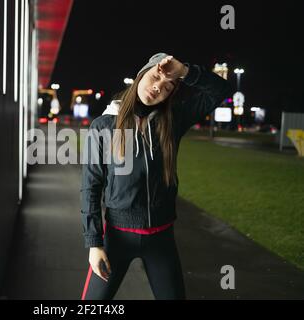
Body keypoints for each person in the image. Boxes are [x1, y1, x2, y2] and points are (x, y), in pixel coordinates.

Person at [80, 52, 232, 300]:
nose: (157, 87)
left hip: (161, 240)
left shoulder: (172, 121)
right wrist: (94, 243)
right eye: (154, 77)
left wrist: (184, 72)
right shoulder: (104, 126)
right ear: (141, 76)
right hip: (117, 238)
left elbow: (221, 89)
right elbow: (91, 186)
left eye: (167, 86)